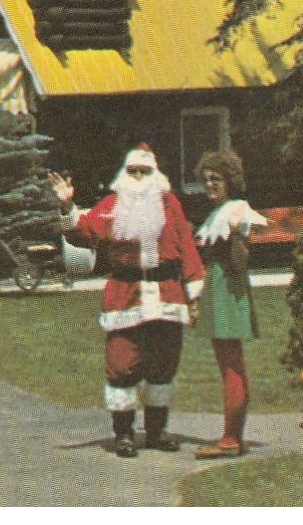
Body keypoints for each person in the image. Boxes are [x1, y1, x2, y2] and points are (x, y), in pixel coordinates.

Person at [50, 143, 205, 458]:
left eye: (144, 171)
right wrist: (67, 207)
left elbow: (187, 247)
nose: (138, 177)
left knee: (163, 363)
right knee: (122, 362)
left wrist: (194, 295)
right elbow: (84, 231)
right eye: (133, 171)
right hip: (126, 295)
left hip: (166, 294)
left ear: (155, 174)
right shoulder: (112, 205)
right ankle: (123, 433)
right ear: (124, 173)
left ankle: (157, 431)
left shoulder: (169, 204)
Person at [190, 149, 267, 460]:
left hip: (228, 291)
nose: (210, 184)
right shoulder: (219, 211)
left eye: (216, 179)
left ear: (230, 182)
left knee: (231, 366)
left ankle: (231, 439)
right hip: (220, 289)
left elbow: (240, 262)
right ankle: (233, 435)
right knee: (230, 364)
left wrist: (235, 235)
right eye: (206, 179)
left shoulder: (236, 210)